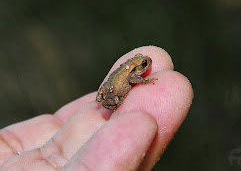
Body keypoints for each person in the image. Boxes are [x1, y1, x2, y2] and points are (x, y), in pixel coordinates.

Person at [0, 46, 193, 170]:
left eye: (143, 62)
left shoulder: (129, 68)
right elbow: (133, 78)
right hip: (113, 94)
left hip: (109, 88)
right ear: (137, 66)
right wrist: (146, 80)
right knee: (117, 99)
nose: (147, 64)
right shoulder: (134, 74)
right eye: (144, 63)